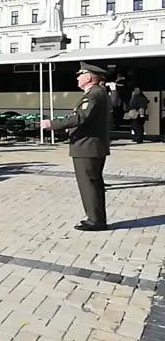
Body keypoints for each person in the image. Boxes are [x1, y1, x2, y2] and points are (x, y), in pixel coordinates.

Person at [41, 62, 110, 231]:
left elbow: (80, 117)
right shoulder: (98, 93)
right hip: (91, 145)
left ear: (88, 77)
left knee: (88, 184)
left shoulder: (94, 94)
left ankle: (95, 221)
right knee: (93, 183)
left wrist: (53, 124)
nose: (77, 78)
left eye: (80, 75)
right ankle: (96, 217)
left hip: (87, 146)